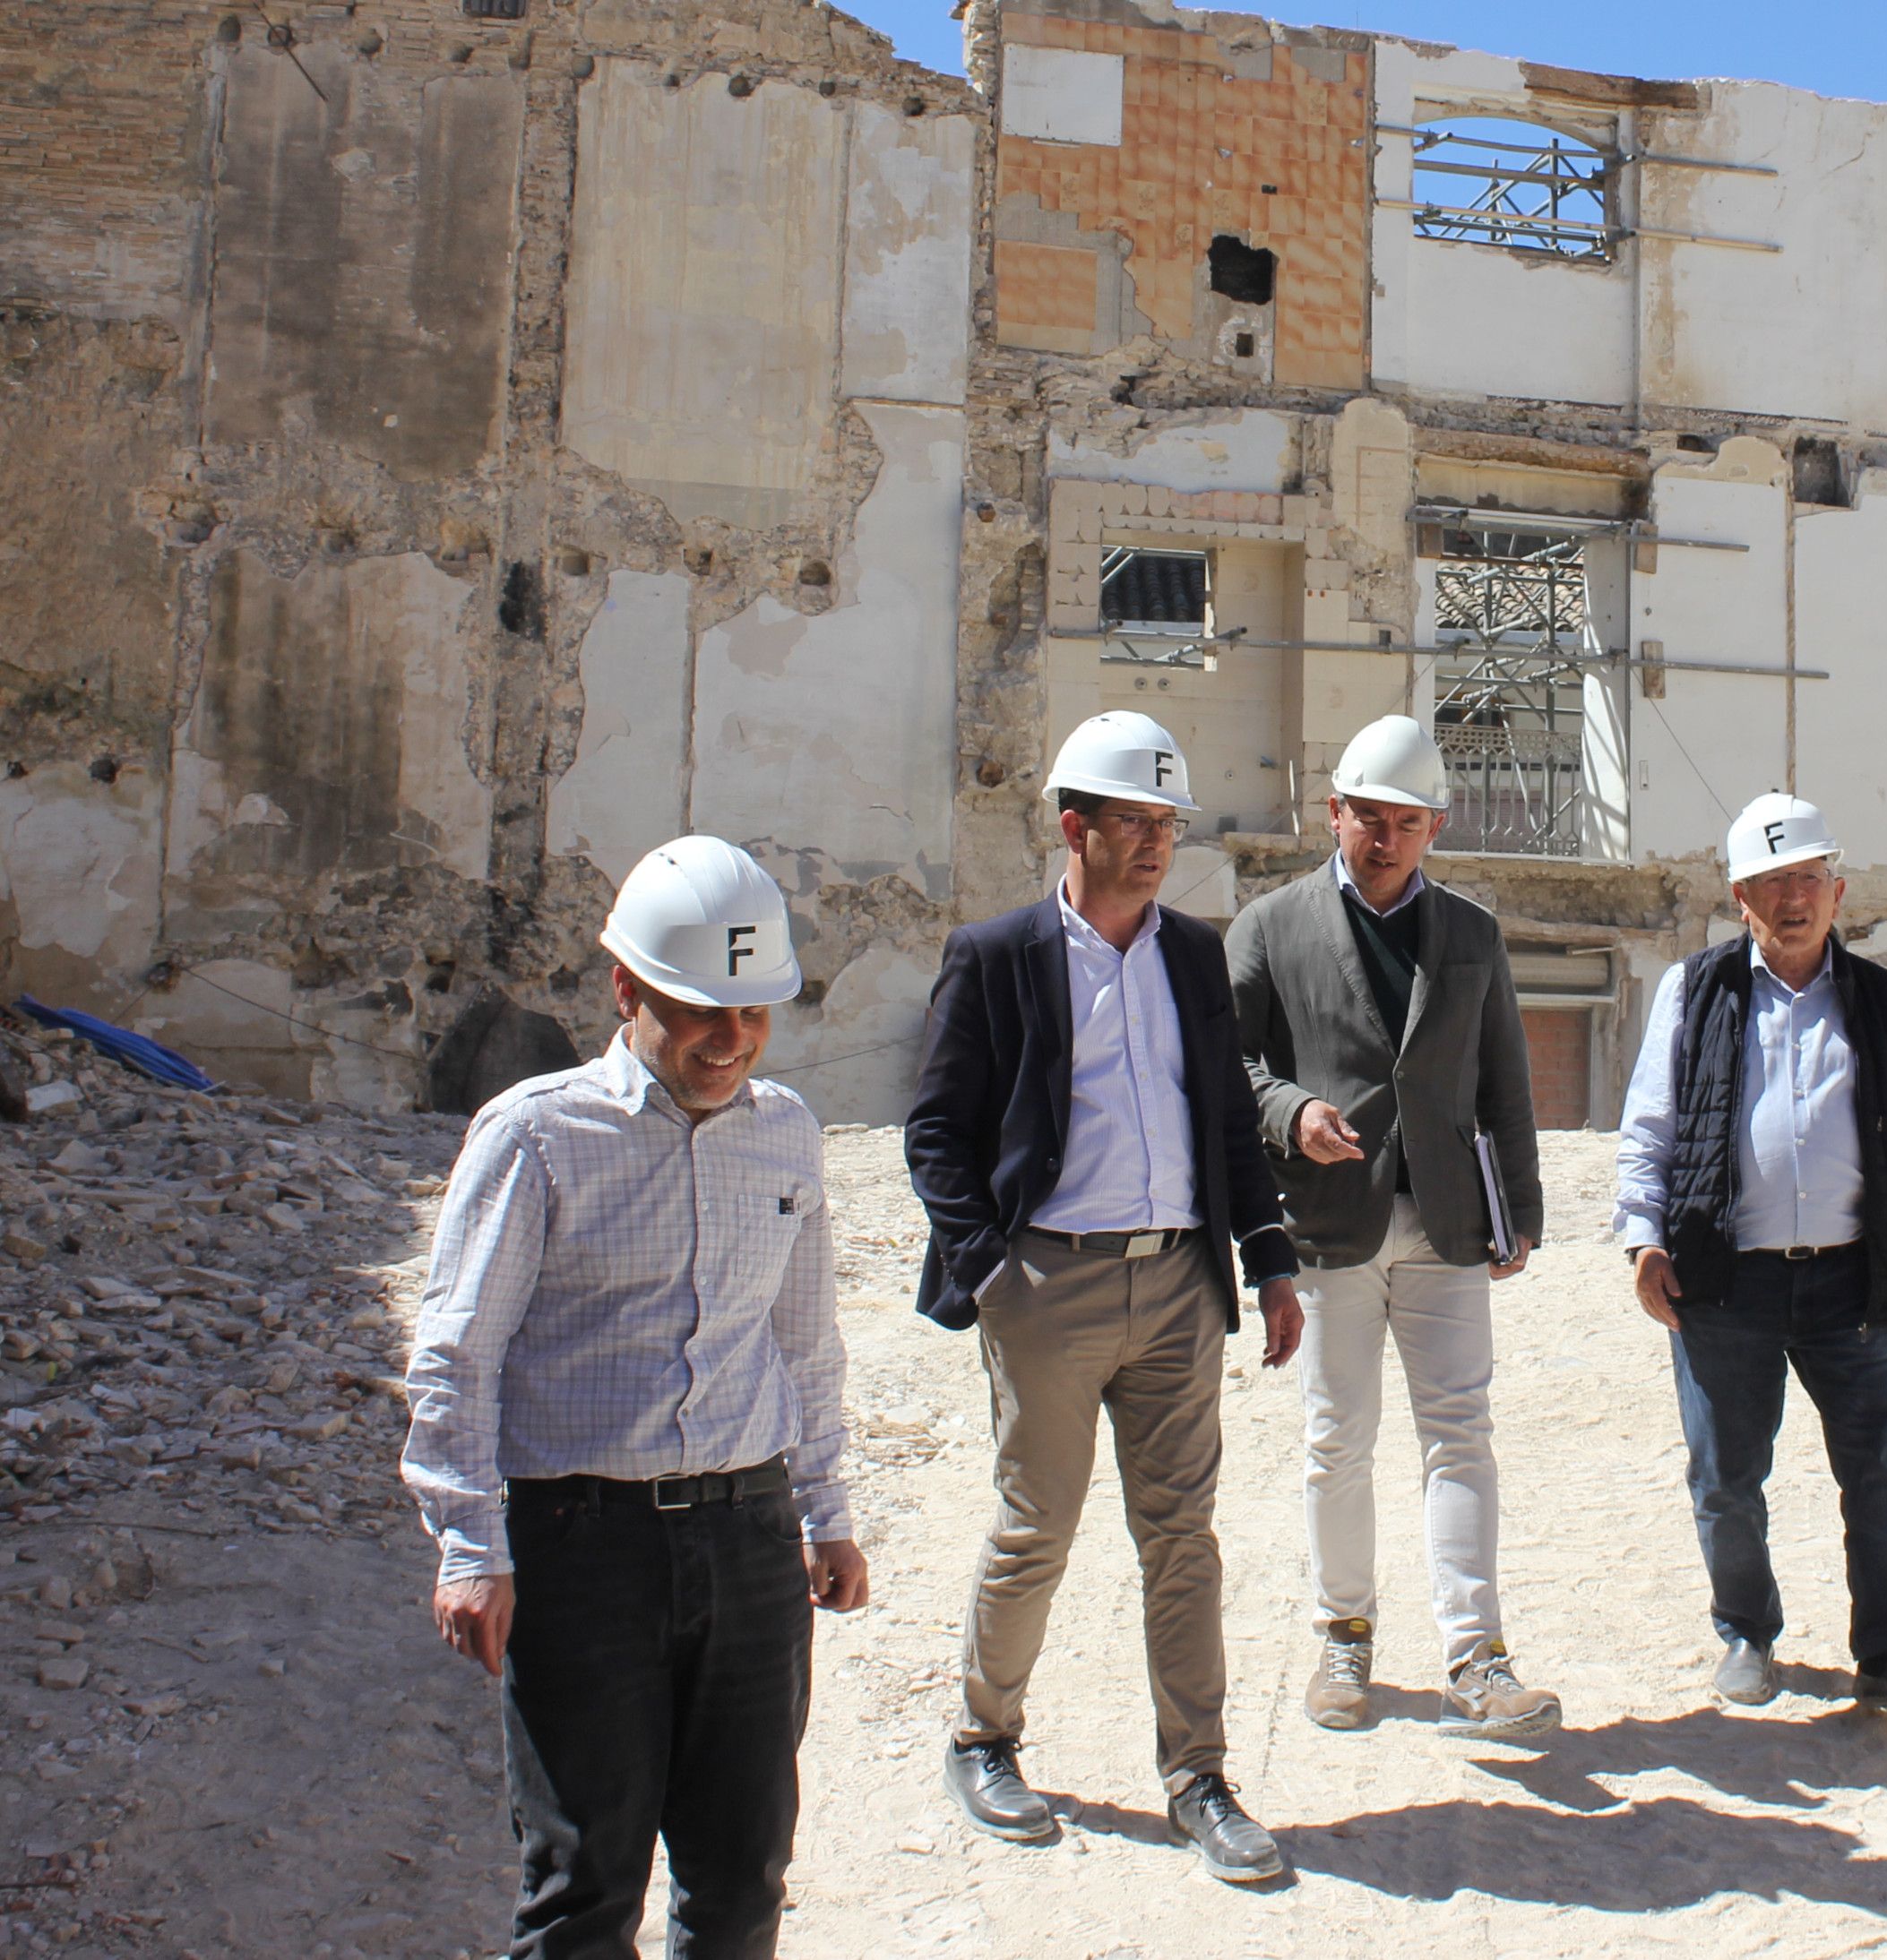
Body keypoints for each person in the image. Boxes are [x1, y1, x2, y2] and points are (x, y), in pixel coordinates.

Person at [402, 835, 867, 1959]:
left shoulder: (788, 1135)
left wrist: (829, 1511)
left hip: (750, 1539)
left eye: (754, 1015)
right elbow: (457, 1355)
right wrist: (471, 1546)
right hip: (583, 1547)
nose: (732, 1040)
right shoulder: (537, 1136)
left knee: (744, 1872)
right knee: (583, 1887)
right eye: (704, 1010)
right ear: (627, 988)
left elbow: (803, 1342)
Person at [904, 709, 1305, 1884]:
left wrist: (1267, 1259)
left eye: (1166, 824)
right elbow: (934, 1128)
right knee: (1036, 1529)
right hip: (1048, 1286)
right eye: (1131, 822)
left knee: (1182, 1540)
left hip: (1178, 1283)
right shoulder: (998, 957)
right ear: (1072, 829)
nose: (1153, 845)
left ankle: (1199, 1776)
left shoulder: (1190, 953)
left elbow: (1227, 1117)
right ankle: (983, 1740)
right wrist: (990, 1273)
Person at [1223, 715, 1558, 1741]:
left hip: (1447, 1221)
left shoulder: (1470, 932)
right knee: (1338, 1441)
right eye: (1366, 818)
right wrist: (1289, 1111)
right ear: (1333, 813)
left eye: (1404, 824)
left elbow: (1504, 1075)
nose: (1383, 839)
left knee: (1461, 1435)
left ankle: (1475, 1655)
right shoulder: (1269, 928)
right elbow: (1227, 1065)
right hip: (1328, 1224)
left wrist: (1522, 1209)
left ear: (1434, 826)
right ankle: (1344, 1633)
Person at [1615, 792, 1887, 1714]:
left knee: (1879, 1472)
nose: (1791, 897)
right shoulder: (1694, 990)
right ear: (1739, 898)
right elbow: (1648, 1125)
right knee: (1726, 1475)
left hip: (1851, 1276)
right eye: (1770, 881)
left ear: (1837, 891)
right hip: (1724, 1278)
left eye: (1806, 877)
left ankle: (1886, 1655)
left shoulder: (1878, 1000)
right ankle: (1745, 1633)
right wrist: (1643, 1238)